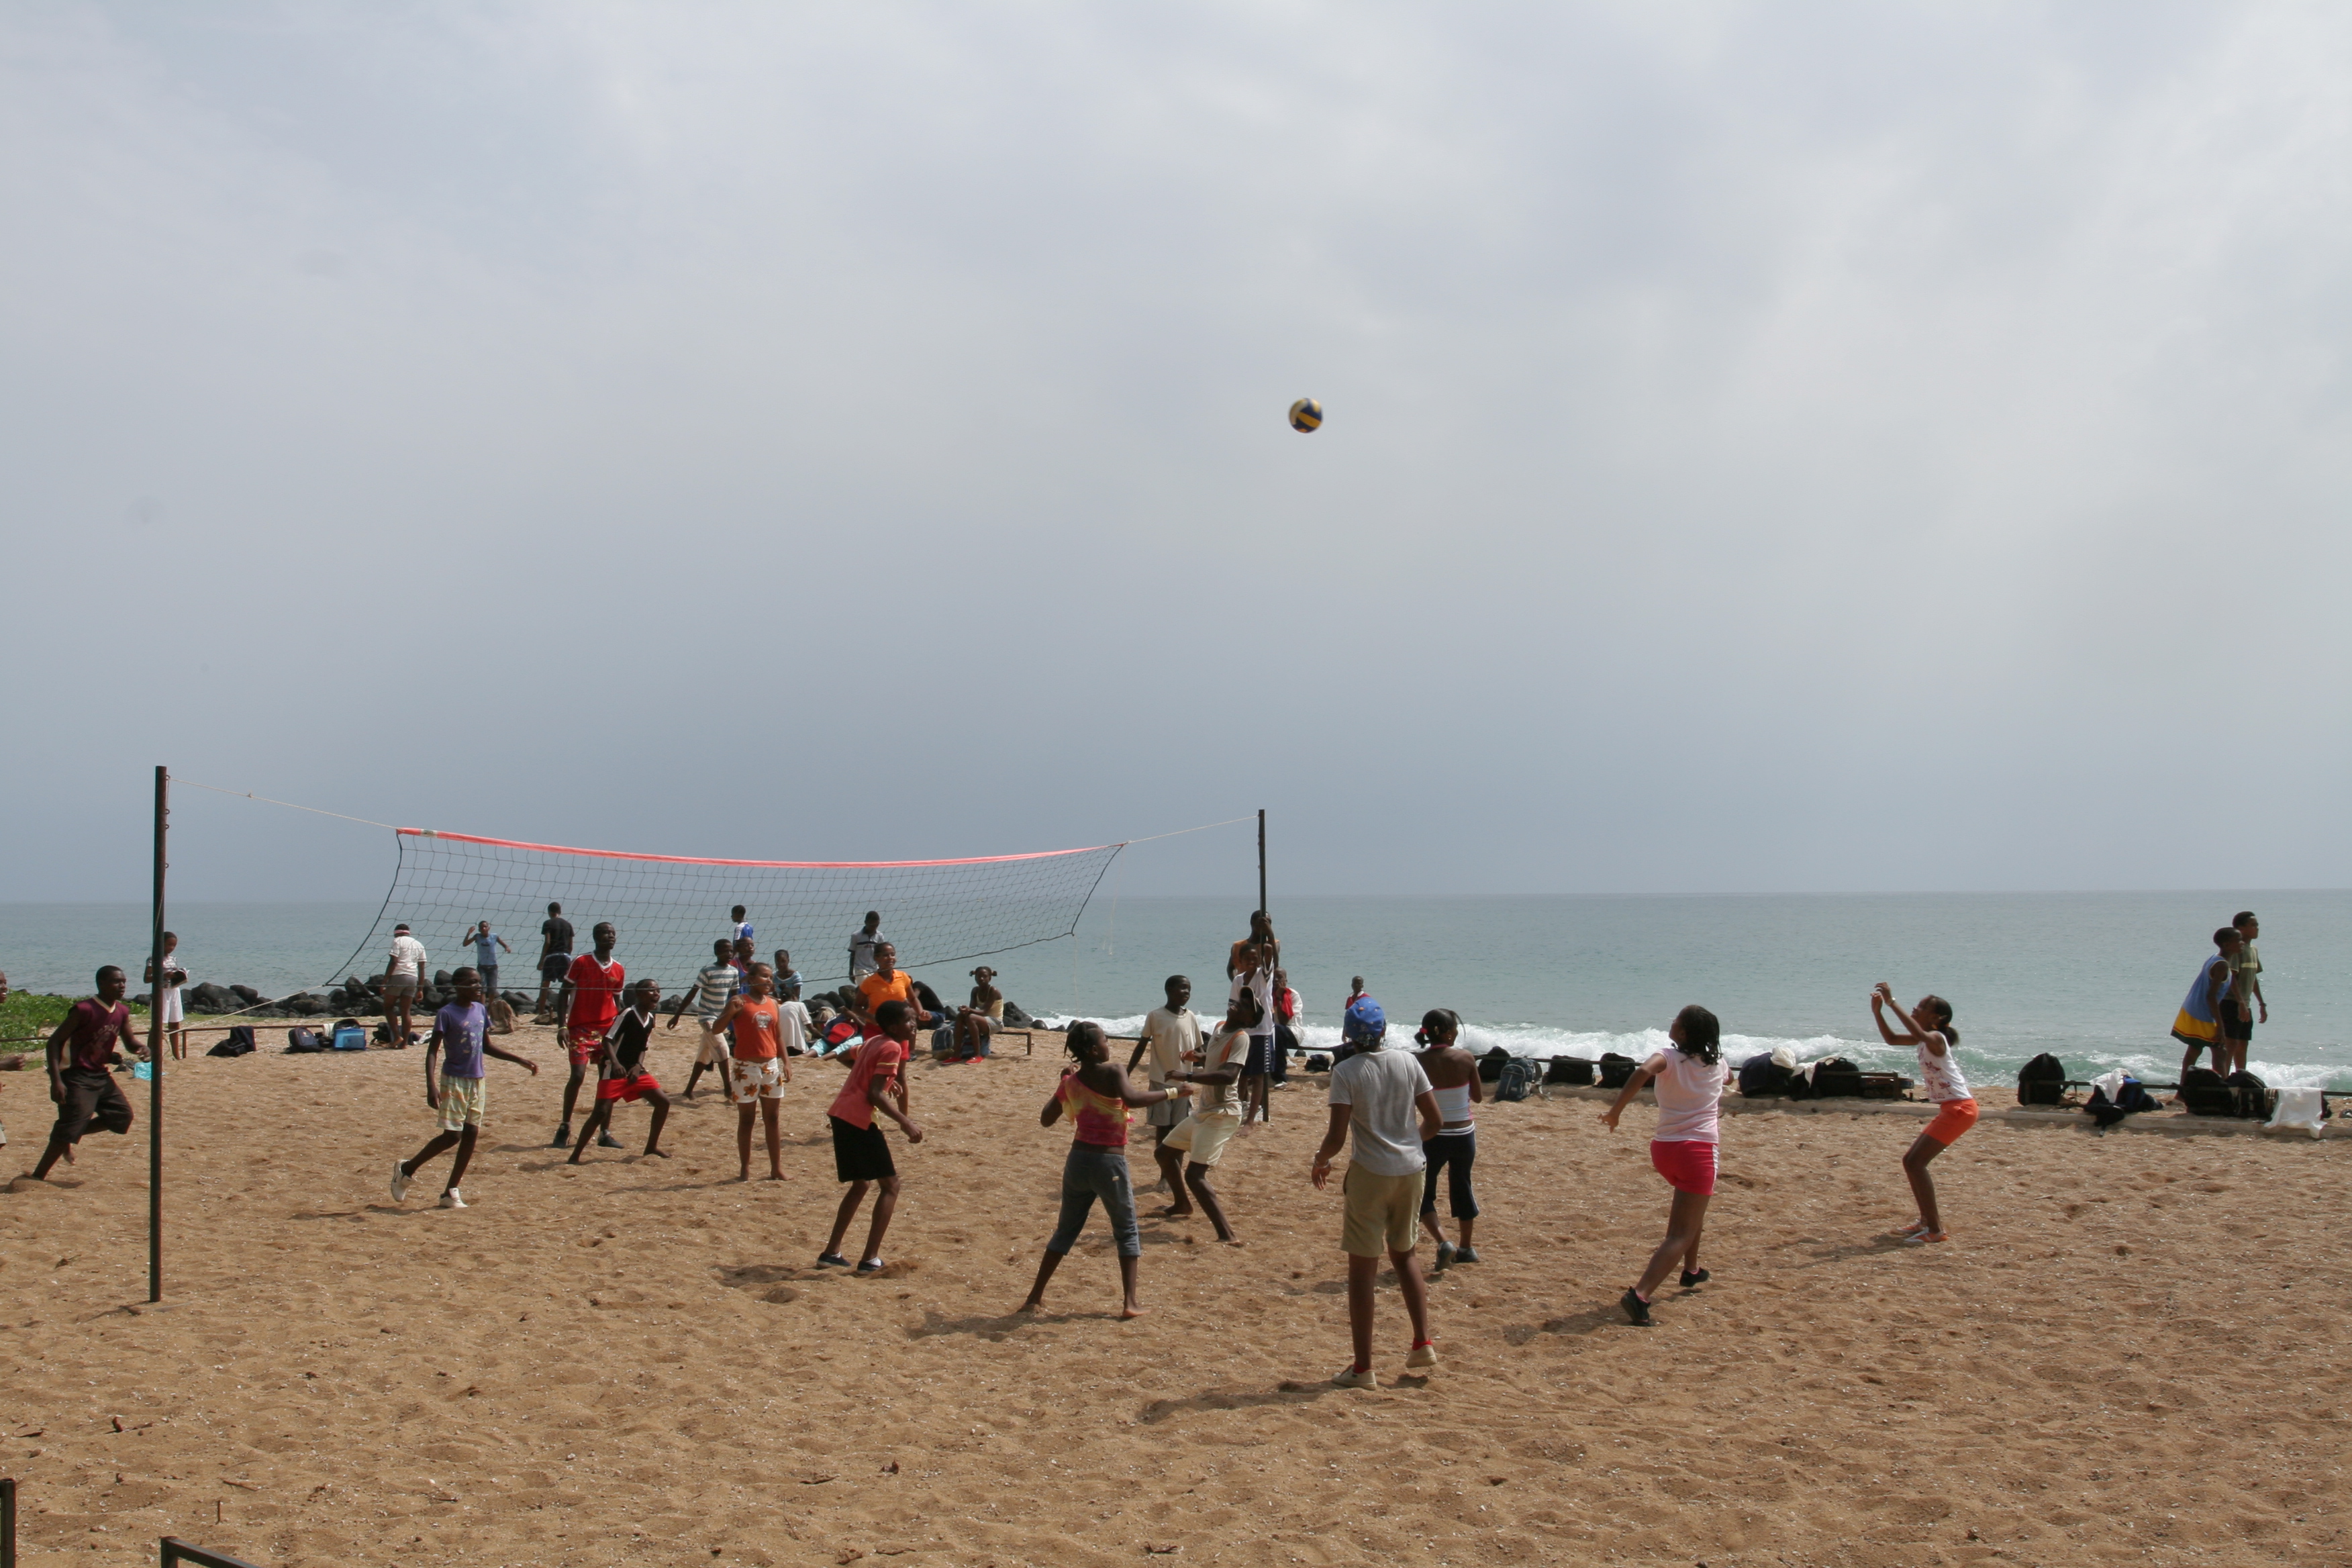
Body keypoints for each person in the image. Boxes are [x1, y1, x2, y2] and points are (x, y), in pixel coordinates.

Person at [1016, 1020, 1187, 1320]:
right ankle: (1130, 1302)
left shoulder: (1072, 1082)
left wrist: (1064, 1083)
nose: (1109, 1045)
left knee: (1066, 1231)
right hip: (1109, 1162)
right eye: (1105, 1041)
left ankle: (1034, 1296)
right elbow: (1132, 1099)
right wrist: (1174, 1092)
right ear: (1094, 1050)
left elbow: (1046, 1119)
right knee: (1126, 1230)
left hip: (1078, 1162)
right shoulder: (1114, 1070)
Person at [1311, 995, 1440, 1387]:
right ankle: (1422, 1342)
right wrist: (1408, 1144)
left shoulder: (1346, 1072)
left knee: (1362, 1272)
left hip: (1370, 1174)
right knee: (1406, 1255)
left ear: (1348, 1035)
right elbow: (1434, 1120)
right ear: (1384, 1030)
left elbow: (1337, 1136)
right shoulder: (1407, 1061)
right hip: (1411, 1171)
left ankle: (1364, 1367)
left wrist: (1321, 1160)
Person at [1600, 1004, 1726, 1325]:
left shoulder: (1667, 1058)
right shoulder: (1719, 1063)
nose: (1672, 1022)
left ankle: (1692, 1270)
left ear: (1682, 1033)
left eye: (1676, 1020)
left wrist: (1616, 1112)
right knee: (1680, 1233)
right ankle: (1640, 1295)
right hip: (1698, 1152)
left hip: (1665, 1150)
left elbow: (1643, 1071)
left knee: (1692, 1211)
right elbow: (1726, 1079)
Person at [391, 967, 540, 1209]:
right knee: (453, 1135)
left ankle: (451, 1191)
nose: (478, 987)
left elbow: (486, 1046)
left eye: (479, 982)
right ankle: (407, 1169)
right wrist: (431, 1086)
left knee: (471, 1134)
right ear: (458, 986)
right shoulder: (447, 1013)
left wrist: (519, 1059)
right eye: (472, 983)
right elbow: (432, 1052)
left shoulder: (480, 1009)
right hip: (454, 1080)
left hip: (477, 1080)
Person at [820, 999, 926, 1271]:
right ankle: (870, 1259)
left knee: (861, 1185)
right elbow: (875, 1095)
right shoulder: (892, 1047)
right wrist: (905, 1121)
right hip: (859, 1119)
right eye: (908, 1021)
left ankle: (831, 1252)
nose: (914, 1025)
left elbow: (845, 1056)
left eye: (914, 1019)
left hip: (841, 1113)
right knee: (891, 1186)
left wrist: (880, 1080)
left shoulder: (874, 1041)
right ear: (893, 1026)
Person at [1867, 983, 1975, 1245]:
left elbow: (1917, 1032)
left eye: (1922, 1007)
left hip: (1960, 1109)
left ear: (1937, 1018)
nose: (1916, 1008)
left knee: (1915, 1163)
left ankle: (1935, 1230)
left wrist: (1892, 1002)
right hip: (1953, 1109)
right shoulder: (1924, 1038)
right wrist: (1878, 1012)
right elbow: (1892, 1039)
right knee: (1911, 1162)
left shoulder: (1936, 1038)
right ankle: (1927, 1221)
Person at [30, 966, 145, 1181]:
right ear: (101, 984)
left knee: (122, 1117)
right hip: (75, 1075)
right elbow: (54, 1042)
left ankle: (69, 1135)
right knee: (72, 1122)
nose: (122, 986)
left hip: (100, 1075)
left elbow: (130, 1042)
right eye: (116, 982)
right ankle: (38, 1176)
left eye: (124, 982)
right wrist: (56, 1081)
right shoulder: (84, 1010)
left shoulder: (122, 1011)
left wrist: (142, 1049)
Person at [1161, 993, 1258, 1243]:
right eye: (1238, 1001)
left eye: (1245, 1006)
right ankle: (1182, 1204)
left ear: (1249, 1019)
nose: (1237, 1004)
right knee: (1164, 1153)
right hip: (1205, 1111)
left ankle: (1227, 1235)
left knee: (1195, 1175)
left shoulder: (1241, 1038)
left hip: (1222, 1114)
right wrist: (1198, 1057)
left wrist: (1188, 1076)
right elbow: (1215, 1058)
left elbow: (1229, 1075)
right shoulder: (1220, 1028)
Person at [569, 978, 670, 1163]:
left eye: (658, 990)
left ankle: (651, 1147)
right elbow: (607, 1040)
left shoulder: (651, 1018)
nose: (656, 994)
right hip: (614, 1070)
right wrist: (615, 1064)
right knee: (600, 1112)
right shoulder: (627, 1014)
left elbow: (643, 1048)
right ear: (639, 994)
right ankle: (575, 1156)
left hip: (635, 1070)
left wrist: (638, 1066)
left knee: (663, 1102)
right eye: (651, 990)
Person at [709, 963, 793, 1181]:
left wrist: (786, 1062)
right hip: (745, 1067)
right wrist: (730, 1012)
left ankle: (776, 1168)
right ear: (751, 978)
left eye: (770, 977)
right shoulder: (739, 1002)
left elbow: (778, 1036)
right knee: (747, 1119)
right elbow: (716, 1029)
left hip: (770, 1066)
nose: (769, 981)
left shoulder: (773, 1003)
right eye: (764, 976)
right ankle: (745, 1168)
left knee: (772, 1118)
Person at [1414, 1008, 1483, 1267]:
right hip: (1464, 1135)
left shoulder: (1418, 1061)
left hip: (1433, 1134)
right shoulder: (1465, 1058)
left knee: (1423, 1191)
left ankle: (1444, 1241)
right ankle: (1467, 1247)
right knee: (1462, 1186)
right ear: (1449, 1033)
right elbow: (1477, 1097)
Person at [1126, 975, 1203, 1204]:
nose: (1186, 992)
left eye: (1189, 989)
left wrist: (1204, 1067)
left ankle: (1174, 1175)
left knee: (1178, 1130)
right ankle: (1164, 1174)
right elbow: (1142, 1045)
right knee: (1162, 1128)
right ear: (1169, 990)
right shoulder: (1155, 1016)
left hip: (1184, 1085)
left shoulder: (1191, 1017)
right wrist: (1127, 1072)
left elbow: (1200, 1050)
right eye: (1182, 988)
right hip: (1160, 1081)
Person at [554, 923, 625, 1148]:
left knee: (607, 1080)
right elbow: (563, 994)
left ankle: (605, 1132)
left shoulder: (618, 968)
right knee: (577, 1076)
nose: (610, 936)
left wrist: (623, 1029)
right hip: (581, 1028)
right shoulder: (581, 962)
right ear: (595, 937)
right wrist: (562, 1026)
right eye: (605, 933)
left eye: (613, 933)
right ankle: (565, 1126)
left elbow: (617, 1001)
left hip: (607, 1030)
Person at [671, 938, 743, 1099]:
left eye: (731, 951)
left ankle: (688, 1090)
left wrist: (736, 1018)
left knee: (704, 1055)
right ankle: (728, 1089)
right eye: (725, 951)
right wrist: (677, 1015)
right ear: (717, 952)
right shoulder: (707, 970)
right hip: (706, 1017)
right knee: (723, 1049)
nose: (729, 954)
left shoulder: (733, 972)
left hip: (720, 1017)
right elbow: (693, 993)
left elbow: (734, 997)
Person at [2173, 926, 2241, 1081]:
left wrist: (2241, 1002)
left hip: (2193, 1009)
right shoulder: (2221, 965)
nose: (2242, 943)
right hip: (2203, 1014)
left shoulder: (2215, 958)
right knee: (2220, 1051)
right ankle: (2222, 1090)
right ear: (2227, 945)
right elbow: (2211, 996)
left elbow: (2226, 982)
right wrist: (2220, 1026)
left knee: (2196, 1049)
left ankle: (2183, 1088)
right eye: (2238, 941)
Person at [1230, 940, 1277, 1126]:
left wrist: (1265, 935)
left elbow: (1269, 950)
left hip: (1261, 1033)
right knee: (1242, 1074)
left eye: (1254, 958)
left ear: (1259, 961)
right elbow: (1233, 1005)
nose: (1251, 962)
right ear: (1240, 961)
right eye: (1247, 959)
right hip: (1243, 1032)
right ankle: (1239, 1111)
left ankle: (1251, 1119)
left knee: (1258, 1077)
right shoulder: (1238, 980)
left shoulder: (1264, 976)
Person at [852, 943, 930, 1040]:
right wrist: (872, 1018)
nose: (890, 958)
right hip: (876, 1028)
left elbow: (913, 998)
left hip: (900, 1028)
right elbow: (856, 1007)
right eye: (885, 955)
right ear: (876, 958)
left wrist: (921, 1012)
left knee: (904, 1048)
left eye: (892, 955)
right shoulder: (869, 982)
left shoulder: (903, 977)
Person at [2226, 910, 2267, 1077]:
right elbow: (2232, 977)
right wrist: (2241, 1003)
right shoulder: (2237, 949)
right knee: (2231, 1043)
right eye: (2253, 925)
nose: (2257, 928)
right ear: (2241, 928)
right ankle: (2224, 1078)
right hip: (2231, 1003)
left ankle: (2240, 1076)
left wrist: (2262, 1004)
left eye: (2257, 925)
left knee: (2243, 1043)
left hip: (2245, 1004)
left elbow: (2253, 978)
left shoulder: (2253, 950)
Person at [381, 923, 429, 1048]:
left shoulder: (397, 941)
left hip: (398, 976)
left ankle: (397, 1037)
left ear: (396, 933)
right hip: (413, 978)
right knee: (406, 1012)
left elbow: (393, 961)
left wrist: (384, 981)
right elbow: (422, 968)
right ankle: (404, 1043)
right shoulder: (418, 944)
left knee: (388, 1007)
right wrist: (420, 989)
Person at [144, 930, 188, 1061]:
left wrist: (178, 976)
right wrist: (163, 975)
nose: (171, 948)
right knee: (158, 1024)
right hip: (162, 992)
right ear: (161, 944)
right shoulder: (154, 959)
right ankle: (151, 1054)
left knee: (175, 1022)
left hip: (174, 990)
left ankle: (176, 1055)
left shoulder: (173, 959)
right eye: (169, 945)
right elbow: (147, 978)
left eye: (174, 946)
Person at [535, 902, 575, 1024]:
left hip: (552, 956)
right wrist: (568, 956)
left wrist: (542, 960)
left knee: (545, 985)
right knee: (567, 986)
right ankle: (568, 1012)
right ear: (560, 911)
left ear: (549, 912)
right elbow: (571, 946)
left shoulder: (548, 923)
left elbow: (547, 942)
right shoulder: (568, 925)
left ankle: (541, 1013)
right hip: (565, 956)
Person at [952, 967, 1003, 1061]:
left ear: (990, 978)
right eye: (979, 976)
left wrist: (969, 1010)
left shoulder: (993, 991)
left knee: (971, 1018)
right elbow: (972, 1009)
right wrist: (964, 1010)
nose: (981, 979)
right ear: (975, 978)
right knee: (960, 1016)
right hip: (982, 1020)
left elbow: (984, 1011)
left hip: (996, 1022)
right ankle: (956, 1055)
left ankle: (977, 1055)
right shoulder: (975, 991)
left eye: (985, 977)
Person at [463, 921, 511, 1000]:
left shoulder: (494, 936)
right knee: (482, 989)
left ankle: (490, 1006)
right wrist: (468, 934)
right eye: (482, 927)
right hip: (482, 966)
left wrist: (507, 948)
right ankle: (483, 1006)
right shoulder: (477, 937)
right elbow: (465, 944)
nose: (484, 929)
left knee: (492, 989)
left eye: (485, 927)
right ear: (479, 929)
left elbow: (504, 944)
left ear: (489, 928)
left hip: (493, 966)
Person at [1271, 969, 1300, 1087]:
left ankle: (1281, 1078)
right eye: (1273, 977)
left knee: (1277, 1030)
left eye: (1279, 977)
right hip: (1274, 1032)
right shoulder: (1267, 995)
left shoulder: (1292, 995)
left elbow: (1284, 1021)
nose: (1276, 980)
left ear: (1286, 980)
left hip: (1292, 1031)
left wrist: (1279, 997)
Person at [849, 912, 884, 979]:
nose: (874, 928)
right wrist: (851, 973)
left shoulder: (880, 936)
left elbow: (881, 954)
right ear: (866, 922)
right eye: (872, 925)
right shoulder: (856, 936)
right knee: (865, 984)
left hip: (875, 969)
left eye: (876, 925)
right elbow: (852, 954)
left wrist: (881, 968)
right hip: (860, 969)